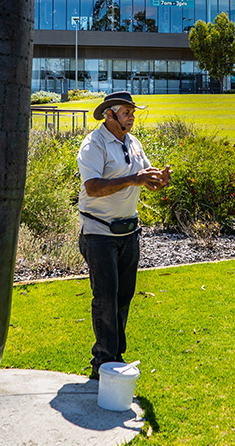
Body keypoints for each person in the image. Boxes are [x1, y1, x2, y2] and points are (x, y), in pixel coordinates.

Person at [76, 91, 171, 379]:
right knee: (105, 297)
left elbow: (144, 178)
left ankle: (115, 356)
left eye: (133, 112)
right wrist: (134, 179)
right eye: (127, 112)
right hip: (99, 233)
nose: (132, 116)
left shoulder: (133, 142)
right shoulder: (93, 145)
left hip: (129, 232)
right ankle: (103, 363)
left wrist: (158, 181)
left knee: (123, 297)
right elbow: (92, 187)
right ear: (110, 114)